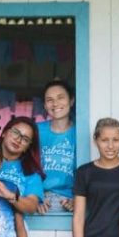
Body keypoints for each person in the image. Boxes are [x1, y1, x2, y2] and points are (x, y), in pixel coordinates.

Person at [37, 79, 76, 212]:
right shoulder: (36, 130)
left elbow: (85, 174)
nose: (55, 103)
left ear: (71, 101)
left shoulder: (79, 132)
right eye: (49, 100)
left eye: (60, 98)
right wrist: (34, 197)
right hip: (40, 198)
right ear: (45, 105)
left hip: (69, 199)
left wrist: (77, 199)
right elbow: (26, 167)